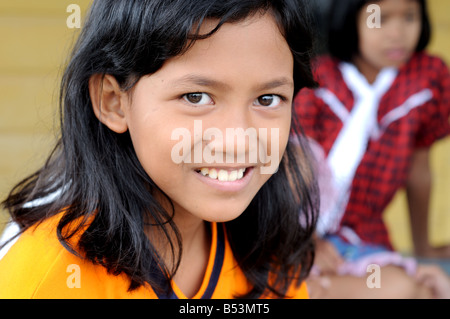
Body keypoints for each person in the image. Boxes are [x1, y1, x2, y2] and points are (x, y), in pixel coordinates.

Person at [0, 0, 319, 299]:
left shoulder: (271, 262)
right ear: (113, 102)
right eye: (196, 97)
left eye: (267, 99)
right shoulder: (48, 278)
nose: (238, 141)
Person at [294, 0, 450, 298]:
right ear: (350, 20)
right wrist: (307, 240)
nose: (397, 32)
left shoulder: (425, 79)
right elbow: (295, 167)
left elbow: (418, 173)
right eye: (381, 19)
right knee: (405, 290)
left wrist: (423, 248)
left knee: (417, 289)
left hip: (362, 239)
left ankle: (316, 289)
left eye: (409, 17)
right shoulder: (316, 80)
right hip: (295, 233)